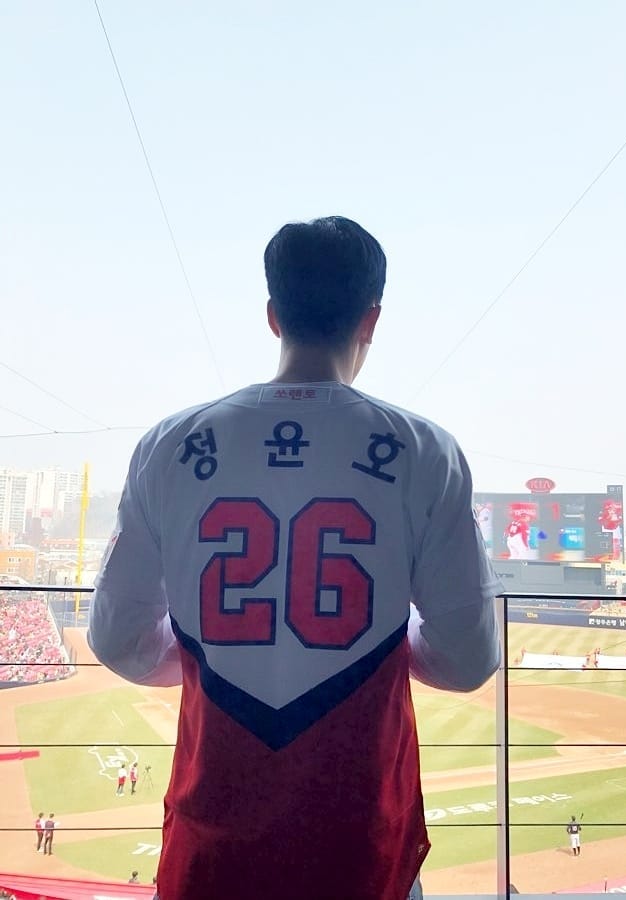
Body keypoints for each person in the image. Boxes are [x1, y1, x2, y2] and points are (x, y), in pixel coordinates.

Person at [88, 216, 502, 900]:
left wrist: (212, 650)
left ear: (273, 315)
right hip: (364, 842)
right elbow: (466, 659)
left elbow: (118, 640)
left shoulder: (169, 443)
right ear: (371, 319)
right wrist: (377, 636)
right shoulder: (428, 451)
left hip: (212, 833)